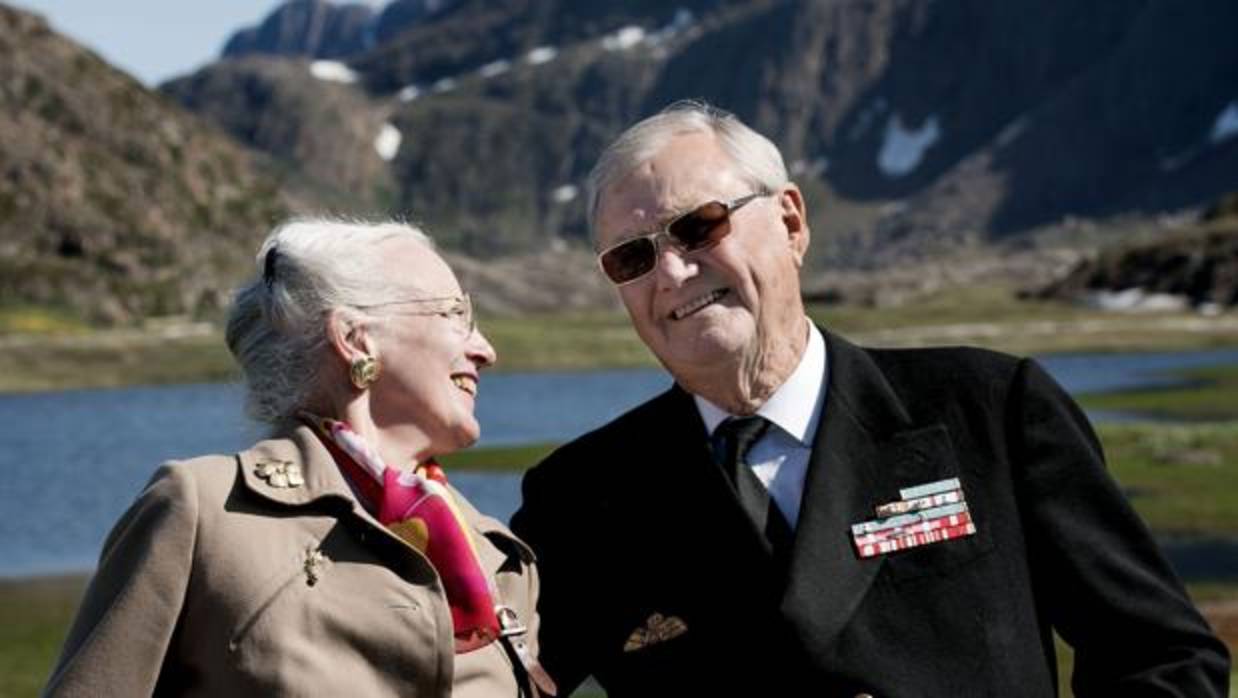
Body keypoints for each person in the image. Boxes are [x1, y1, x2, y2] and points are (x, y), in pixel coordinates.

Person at [510, 102, 1231, 696]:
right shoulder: (579, 499)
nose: (671, 272)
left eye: (699, 226)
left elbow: (1165, 660)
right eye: (632, 257)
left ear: (791, 222)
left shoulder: (990, 409)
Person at [45, 219, 553, 697]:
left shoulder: (500, 558)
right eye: (455, 314)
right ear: (356, 339)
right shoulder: (206, 514)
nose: (485, 350)